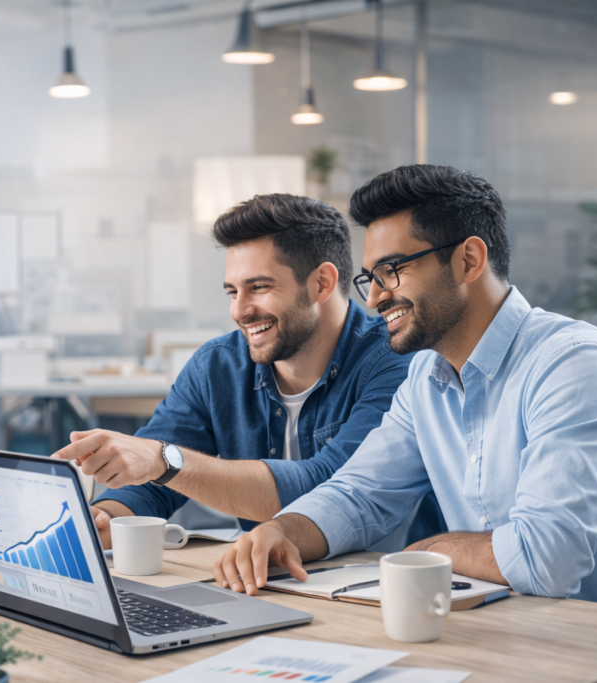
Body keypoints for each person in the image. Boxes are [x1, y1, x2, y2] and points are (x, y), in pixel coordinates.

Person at [212, 165, 597, 612]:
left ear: (468, 260)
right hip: (506, 635)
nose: (373, 298)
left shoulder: (576, 367)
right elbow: (360, 495)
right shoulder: (426, 378)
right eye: (370, 277)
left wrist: (429, 551)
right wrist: (282, 531)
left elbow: (545, 560)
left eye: (392, 270)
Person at [52, 194, 442, 549]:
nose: (239, 310)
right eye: (232, 291)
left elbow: (330, 490)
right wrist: (107, 517)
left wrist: (164, 460)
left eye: (258, 287)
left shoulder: (399, 359)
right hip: (259, 579)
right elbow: (151, 482)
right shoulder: (216, 366)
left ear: (322, 283)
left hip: (380, 584)